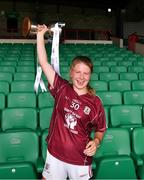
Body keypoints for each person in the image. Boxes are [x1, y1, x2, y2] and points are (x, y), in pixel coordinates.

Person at [37, 24, 107, 180]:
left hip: (80, 160)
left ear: (90, 75)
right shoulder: (61, 88)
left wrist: (96, 141)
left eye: (86, 73)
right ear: (71, 72)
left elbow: (101, 129)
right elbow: (43, 62)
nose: (81, 77)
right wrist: (40, 35)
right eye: (78, 72)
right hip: (55, 154)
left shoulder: (95, 102)